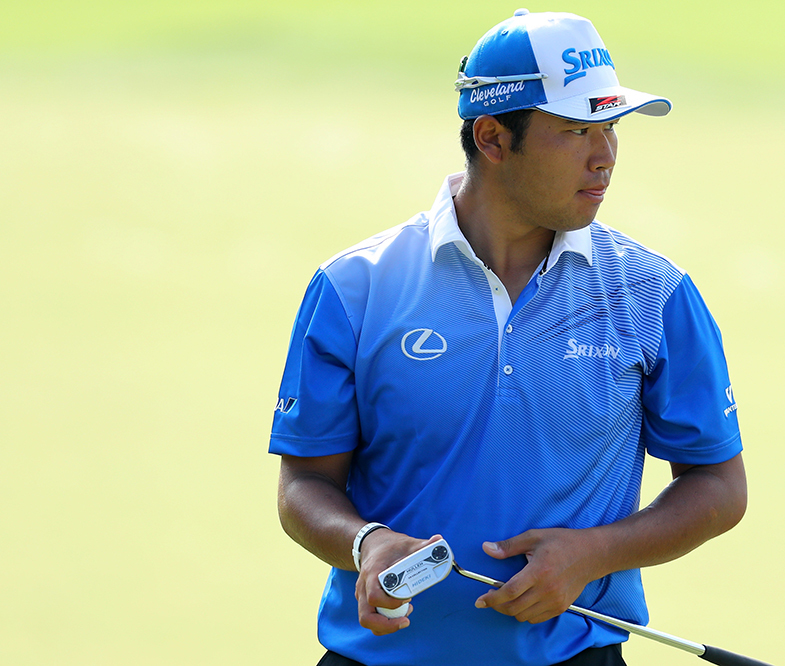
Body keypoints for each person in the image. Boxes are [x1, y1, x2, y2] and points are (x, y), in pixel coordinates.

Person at [270, 10, 747, 666]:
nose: (605, 156)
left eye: (610, 128)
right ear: (492, 137)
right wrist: (365, 542)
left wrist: (594, 554)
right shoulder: (354, 288)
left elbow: (719, 486)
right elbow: (303, 483)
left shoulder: (655, 294)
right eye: (576, 130)